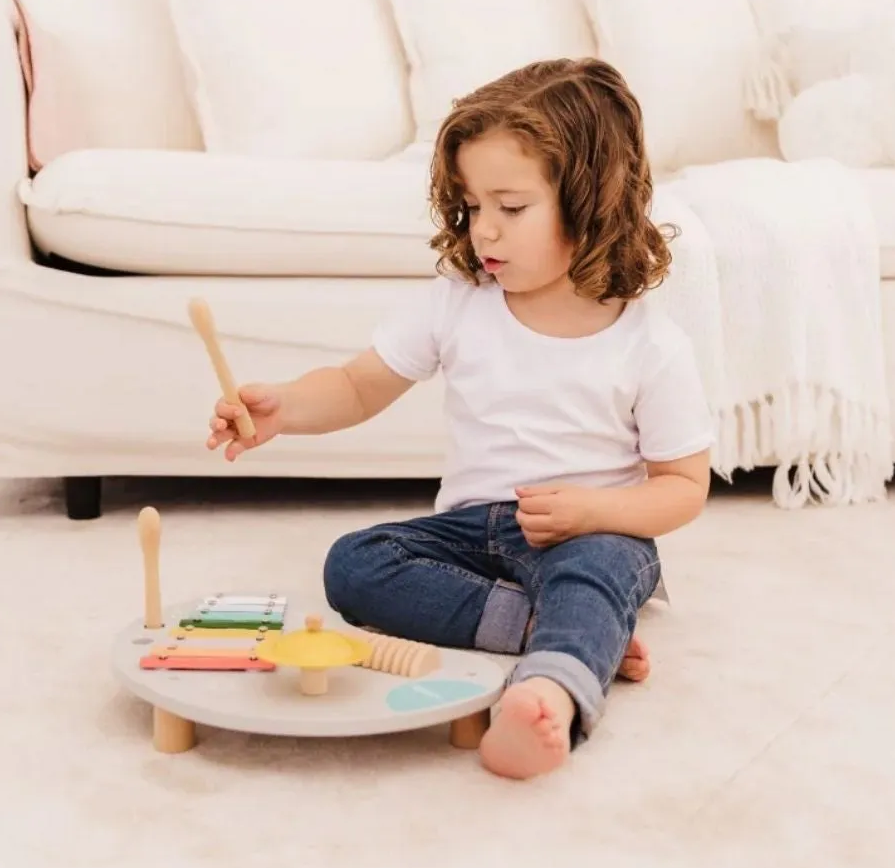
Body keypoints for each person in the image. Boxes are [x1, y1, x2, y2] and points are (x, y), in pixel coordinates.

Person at [206, 58, 713, 779]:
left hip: (593, 533)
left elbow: (683, 486)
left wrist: (591, 511)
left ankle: (549, 695)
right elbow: (356, 386)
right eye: (474, 207)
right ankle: (564, 634)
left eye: (511, 208)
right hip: (471, 531)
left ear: (589, 200)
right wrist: (283, 407)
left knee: (598, 568)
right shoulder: (458, 302)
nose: (485, 232)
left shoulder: (650, 343)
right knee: (354, 565)